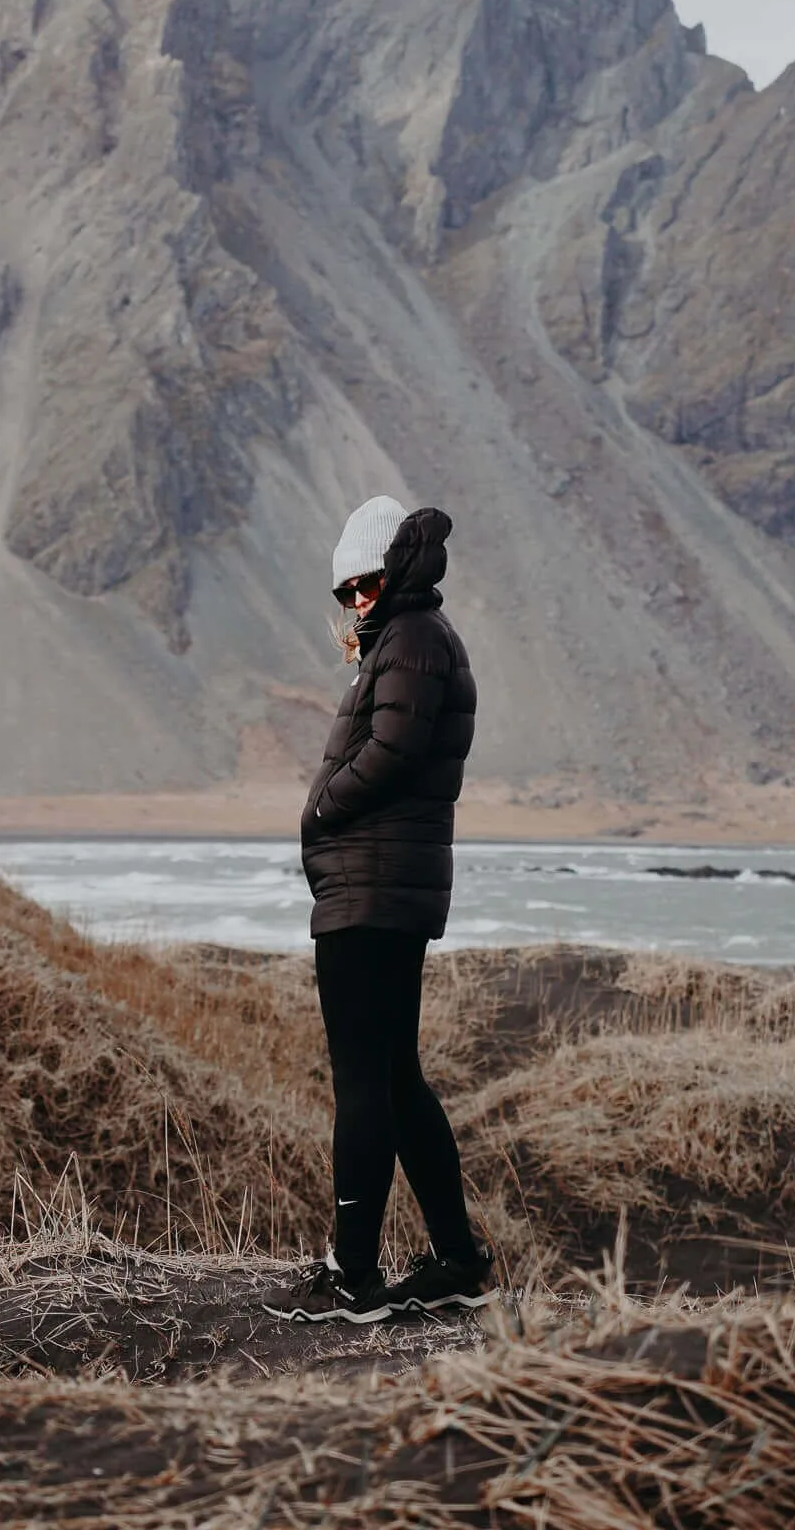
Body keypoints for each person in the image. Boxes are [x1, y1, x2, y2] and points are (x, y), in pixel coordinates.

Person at [263, 496, 494, 1323]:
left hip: (372, 889)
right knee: (395, 1082)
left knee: (364, 1084)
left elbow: (390, 751)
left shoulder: (411, 641)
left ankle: (351, 1277)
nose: (355, 603)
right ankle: (456, 1260)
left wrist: (324, 810)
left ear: (393, 574)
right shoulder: (410, 641)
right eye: (344, 593)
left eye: (364, 585)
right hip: (384, 886)